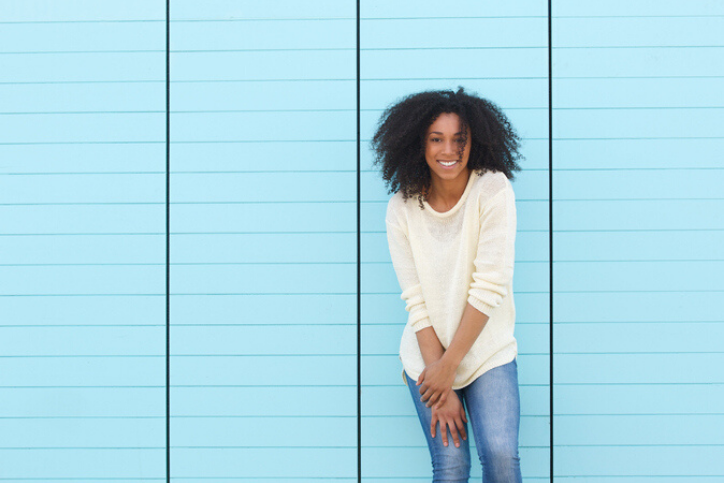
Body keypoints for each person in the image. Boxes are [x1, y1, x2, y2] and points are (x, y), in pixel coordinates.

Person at [372, 87, 525, 482]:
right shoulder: (401, 208)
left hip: (486, 351)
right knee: (453, 466)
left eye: (460, 139)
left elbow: (488, 286)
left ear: (476, 141)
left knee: (502, 458)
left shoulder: (492, 189)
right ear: (417, 144)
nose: (449, 150)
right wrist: (439, 380)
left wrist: (450, 370)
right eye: (436, 139)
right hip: (426, 356)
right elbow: (416, 301)